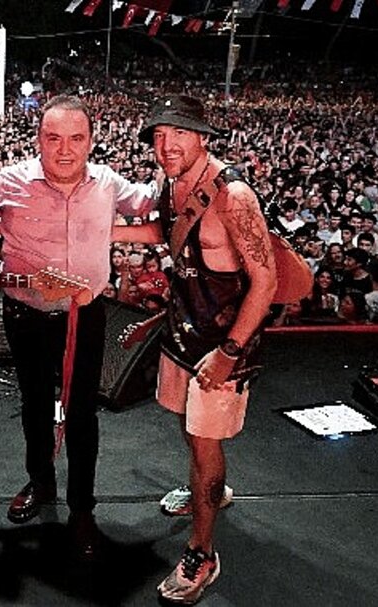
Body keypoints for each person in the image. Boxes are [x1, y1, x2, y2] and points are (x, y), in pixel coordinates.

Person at [0, 95, 158, 560]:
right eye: (53, 138)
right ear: (38, 139)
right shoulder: (11, 182)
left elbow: (152, 201)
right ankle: (41, 483)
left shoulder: (108, 184)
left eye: (76, 138)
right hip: (26, 316)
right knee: (35, 406)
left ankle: (82, 509)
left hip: (86, 315)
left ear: (91, 141)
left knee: (82, 415)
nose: (64, 149)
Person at [125, 95, 277, 603]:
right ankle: (207, 491)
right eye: (158, 135)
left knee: (205, 441)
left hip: (221, 344)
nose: (166, 145)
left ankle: (202, 553)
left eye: (179, 134)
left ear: (204, 138)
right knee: (189, 428)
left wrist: (230, 351)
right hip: (183, 331)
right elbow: (168, 233)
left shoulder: (234, 196)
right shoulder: (171, 182)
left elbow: (265, 280)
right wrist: (100, 229)